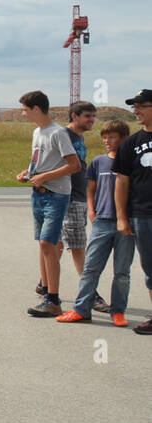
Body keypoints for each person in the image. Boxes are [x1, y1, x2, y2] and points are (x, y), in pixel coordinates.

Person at [56, 119, 132, 325]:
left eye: (112, 137)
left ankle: (118, 311)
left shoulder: (132, 161)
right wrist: (92, 211)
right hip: (102, 221)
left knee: (122, 271)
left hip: (126, 224)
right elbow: (91, 189)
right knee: (90, 268)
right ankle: (81, 309)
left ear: (124, 138)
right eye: (104, 137)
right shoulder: (98, 162)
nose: (107, 141)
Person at [17, 91, 82, 318]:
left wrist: (45, 177)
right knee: (43, 245)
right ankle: (46, 289)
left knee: (48, 243)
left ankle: (53, 300)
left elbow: (74, 165)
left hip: (56, 194)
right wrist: (29, 172)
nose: (22, 114)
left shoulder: (58, 133)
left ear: (36, 108)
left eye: (25, 109)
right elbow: (39, 159)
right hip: (39, 193)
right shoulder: (37, 132)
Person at [114, 89, 152, 335]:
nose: (135, 111)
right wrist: (121, 217)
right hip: (143, 215)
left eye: (141, 106)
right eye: (134, 107)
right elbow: (122, 182)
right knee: (150, 268)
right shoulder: (131, 143)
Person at [55, 102, 97, 293]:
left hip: (79, 196)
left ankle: (45, 281)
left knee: (60, 242)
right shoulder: (64, 135)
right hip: (69, 197)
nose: (92, 120)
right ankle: (90, 292)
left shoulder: (79, 137)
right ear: (74, 116)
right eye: (88, 116)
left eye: (93, 116)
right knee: (78, 245)